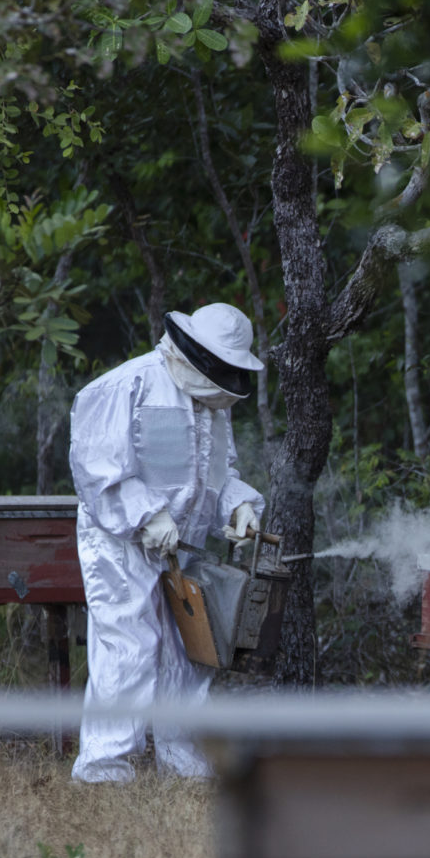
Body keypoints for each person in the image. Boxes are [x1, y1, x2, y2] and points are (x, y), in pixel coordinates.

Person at [67, 303, 266, 783]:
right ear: (194, 351)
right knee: (128, 644)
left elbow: (219, 474)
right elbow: (95, 465)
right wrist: (145, 516)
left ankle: (182, 763)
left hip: (185, 545)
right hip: (121, 541)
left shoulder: (212, 411)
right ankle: (105, 768)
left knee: (189, 651)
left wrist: (237, 506)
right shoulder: (125, 385)